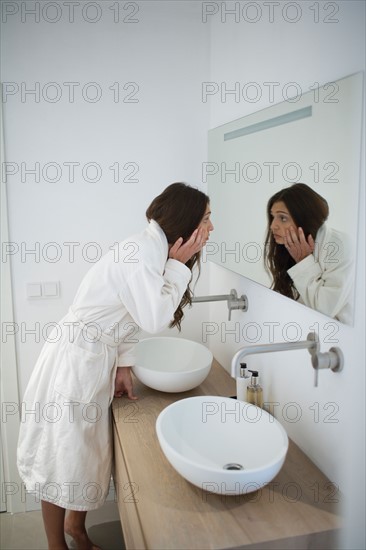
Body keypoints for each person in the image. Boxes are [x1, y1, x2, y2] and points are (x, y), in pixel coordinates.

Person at [17, 182, 214, 550]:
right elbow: (154, 316)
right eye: (206, 218)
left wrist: (124, 365)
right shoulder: (144, 254)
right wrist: (179, 265)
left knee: (85, 453)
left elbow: (128, 314)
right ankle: (54, 545)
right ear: (185, 220)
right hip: (75, 361)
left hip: (92, 355)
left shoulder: (149, 249)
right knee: (62, 455)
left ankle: (76, 528)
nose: (211, 227)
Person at [264, 183, 353, 324]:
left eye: (282, 218)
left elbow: (324, 310)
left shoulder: (340, 246)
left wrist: (304, 261)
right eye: (273, 217)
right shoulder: (288, 248)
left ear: (304, 219)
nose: (273, 226)